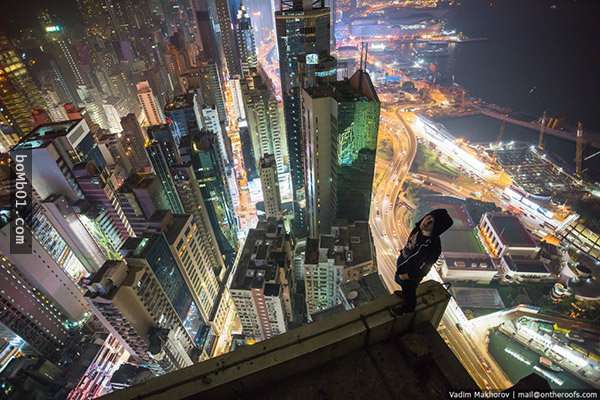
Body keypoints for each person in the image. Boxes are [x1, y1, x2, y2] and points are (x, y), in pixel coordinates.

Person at [394, 209, 453, 313]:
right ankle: (405, 293)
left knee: (409, 290)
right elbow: (410, 244)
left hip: (411, 274)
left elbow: (425, 268)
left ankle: (408, 308)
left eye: (432, 222)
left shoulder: (433, 247)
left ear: (436, 228)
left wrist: (409, 275)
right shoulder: (417, 230)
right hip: (404, 263)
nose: (426, 221)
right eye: (429, 217)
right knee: (401, 283)